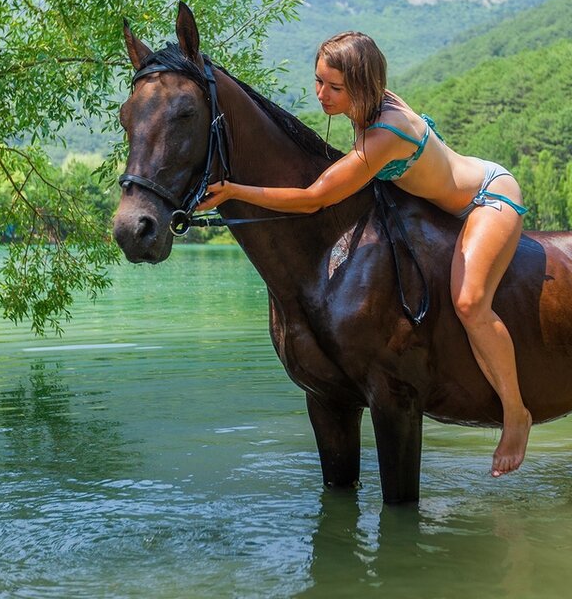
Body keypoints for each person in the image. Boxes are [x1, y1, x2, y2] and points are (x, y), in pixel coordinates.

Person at [197, 31, 531, 477]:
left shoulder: (386, 133)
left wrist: (235, 191)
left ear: (365, 87)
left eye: (335, 88)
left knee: (470, 302)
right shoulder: (365, 105)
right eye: (318, 81)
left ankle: (515, 415)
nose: (322, 95)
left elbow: (315, 197)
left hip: (488, 198)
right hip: (432, 205)